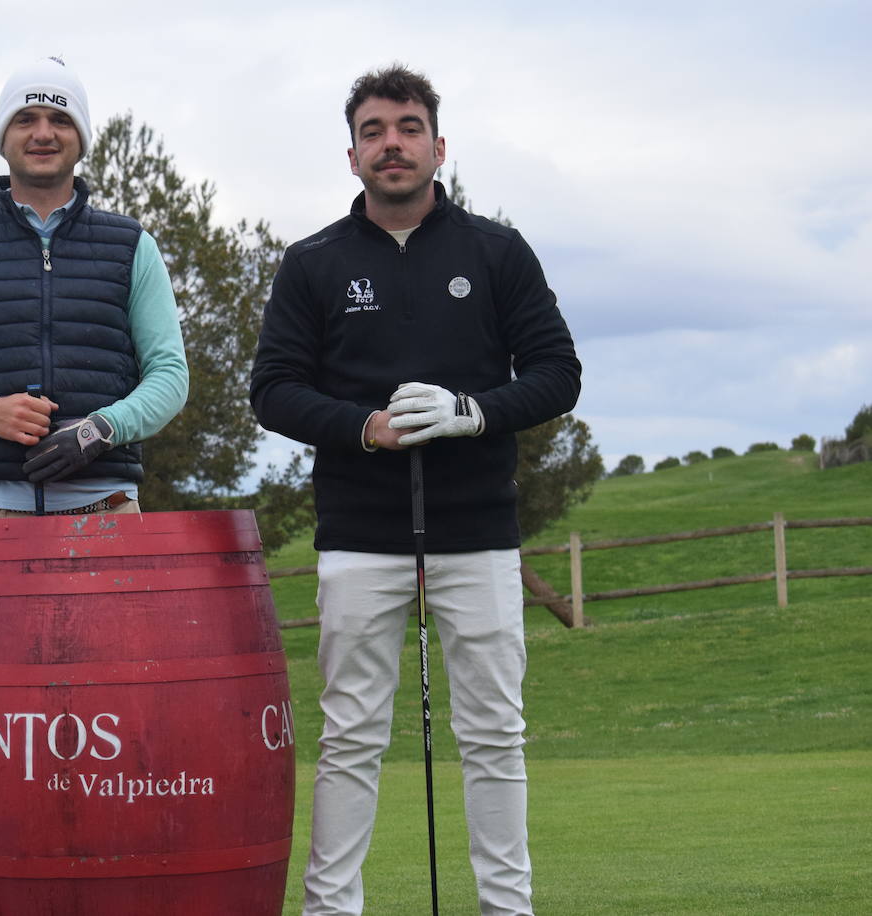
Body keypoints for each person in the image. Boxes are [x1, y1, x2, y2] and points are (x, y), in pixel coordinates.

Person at [250, 64, 582, 916]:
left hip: (478, 530)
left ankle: (507, 908)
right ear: (352, 153)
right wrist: (366, 427)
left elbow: (556, 374)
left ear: (439, 144)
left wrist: (472, 412)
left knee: (494, 735)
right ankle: (332, 909)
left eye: (406, 127)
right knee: (351, 735)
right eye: (372, 130)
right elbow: (273, 389)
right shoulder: (314, 263)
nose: (390, 143)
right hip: (360, 532)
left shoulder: (497, 252)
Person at [0, 55, 188, 567]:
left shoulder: (131, 244)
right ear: (3, 136)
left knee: (110, 651)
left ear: (81, 136)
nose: (43, 133)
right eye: (25, 119)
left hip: (105, 509)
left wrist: (98, 430)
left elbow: (170, 377)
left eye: (61, 119)